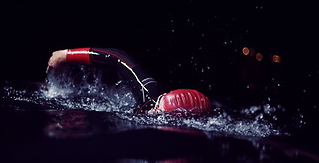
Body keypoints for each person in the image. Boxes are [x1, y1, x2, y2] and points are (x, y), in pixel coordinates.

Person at [46, 47, 210, 114]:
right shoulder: (151, 97)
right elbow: (118, 58)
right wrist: (65, 55)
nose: (153, 112)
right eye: (157, 108)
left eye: (158, 112)